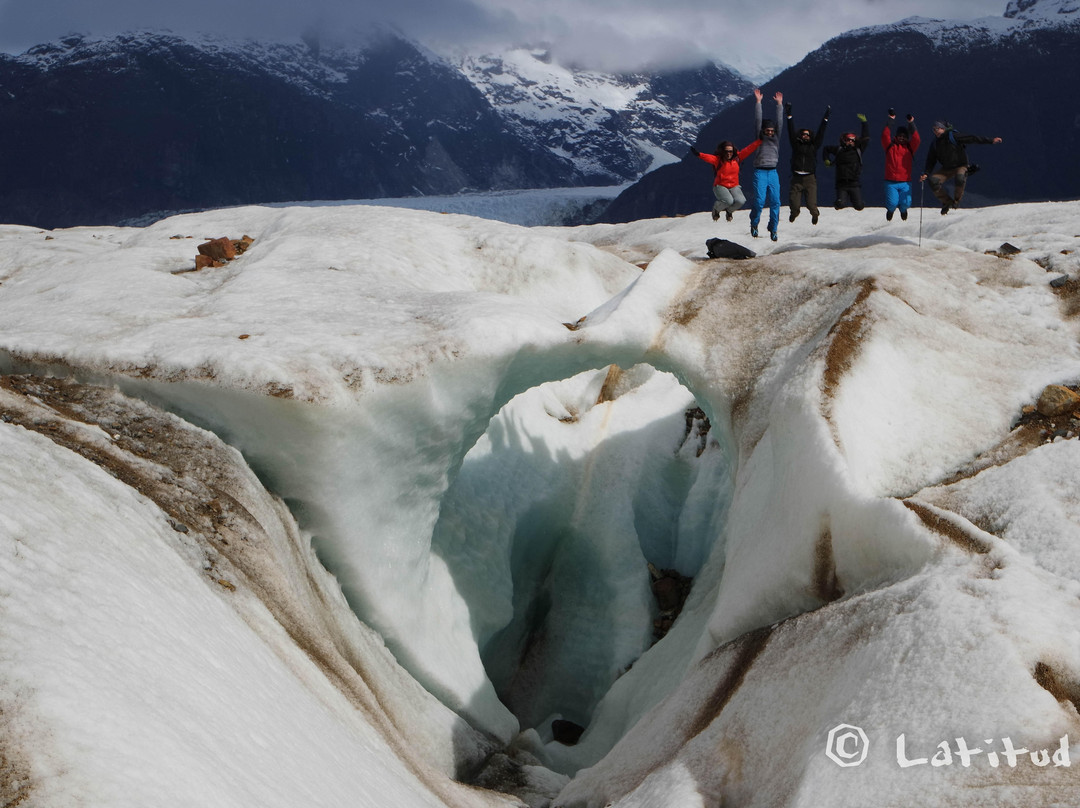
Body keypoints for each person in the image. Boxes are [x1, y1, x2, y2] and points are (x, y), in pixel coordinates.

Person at [920, 121, 1003, 214]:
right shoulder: (935, 143)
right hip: (946, 168)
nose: (936, 131)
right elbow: (931, 160)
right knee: (933, 181)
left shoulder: (953, 136)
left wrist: (990, 140)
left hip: (960, 166)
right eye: (934, 129)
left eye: (937, 128)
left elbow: (972, 138)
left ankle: (956, 201)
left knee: (960, 178)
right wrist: (926, 173)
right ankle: (947, 202)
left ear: (944, 128)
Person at [690, 139, 761, 222]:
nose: (728, 153)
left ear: (733, 151)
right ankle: (716, 209)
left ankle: (729, 211)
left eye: (730, 151)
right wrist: (699, 154)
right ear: (722, 152)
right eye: (726, 151)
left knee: (741, 201)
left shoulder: (738, 158)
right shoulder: (718, 160)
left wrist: (760, 140)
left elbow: (749, 149)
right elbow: (708, 158)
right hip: (720, 185)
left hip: (734, 185)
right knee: (729, 201)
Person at [785, 102, 829, 225]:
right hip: (796, 178)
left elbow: (821, 133)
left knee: (811, 204)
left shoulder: (814, 147)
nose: (805, 136)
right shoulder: (796, 145)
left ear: (810, 137)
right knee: (794, 204)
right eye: (803, 134)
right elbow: (790, 131)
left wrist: (825, 119)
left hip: (810, 178)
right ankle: (794, 213)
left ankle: (815, 215)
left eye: (807, 134)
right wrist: (789, 116)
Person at [751, 88, 784, 241]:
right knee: (759, 201)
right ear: (763, 131)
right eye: (767, 130)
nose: (770, 132)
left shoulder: (776, 138)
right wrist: (758, 102)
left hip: (773, 172)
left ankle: (773, 228)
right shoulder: (759, 137)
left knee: (776, 201)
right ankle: (754, 223)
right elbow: (758, 120)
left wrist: (779, 105)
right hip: (760, 172)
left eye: (772, 130)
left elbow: (780, 122)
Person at [823, 114, 870, 210]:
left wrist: (864, 123)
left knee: (859, 206)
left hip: (854, 183)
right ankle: (840, 201)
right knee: (840, 204)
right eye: (848, 139)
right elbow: (826, 149)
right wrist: (826, 159)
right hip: (842, 184)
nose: (850, 142)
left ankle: (856, 201)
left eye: (853, 140)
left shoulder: (858, 150)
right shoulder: (839, 150)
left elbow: (865, 138)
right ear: (844, 140)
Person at [881, 109, 920, 221]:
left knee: (906, 203)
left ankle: (903, 210)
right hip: (891, 182)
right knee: (892, 203)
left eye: (904, 136)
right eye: (900, 136)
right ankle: (890, 210)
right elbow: (885, 135)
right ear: (896, 136)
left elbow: (917, 139)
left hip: (905, 182)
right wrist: (891, 120)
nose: (902, 138)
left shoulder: (910, 148)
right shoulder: (890, 147)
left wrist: (911, 123)